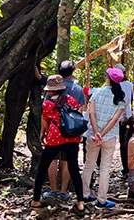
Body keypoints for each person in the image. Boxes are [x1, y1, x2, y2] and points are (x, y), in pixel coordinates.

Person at [31, 75, 86, 217]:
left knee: (43, 167)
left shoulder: (48, 104)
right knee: (74, 168)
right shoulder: (71, 100)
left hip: (55, 138)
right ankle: (80, 202)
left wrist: (43, 135)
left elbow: (45, 121)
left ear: (51, 90)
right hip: (72, 138)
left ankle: (36, 200)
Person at [81, 67, 126, 209]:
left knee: (89, 165)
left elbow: (91, 114)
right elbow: (114, 120)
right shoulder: (121, 99)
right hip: (110, 137)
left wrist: (96, 132)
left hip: (93, 136)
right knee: (105, 168)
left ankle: (84, 194)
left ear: (108, 78)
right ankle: (102, 200)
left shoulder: (96, 94)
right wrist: (103, 134)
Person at [45, 60, 86, 201]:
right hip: (70, 132)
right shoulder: (78, 89)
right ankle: (63, 192)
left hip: (54, 130)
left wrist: (43, 131)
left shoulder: (52, 86)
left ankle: (52, 190)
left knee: (53, 159)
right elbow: (79, 112)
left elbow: (46, 110)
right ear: (72, 72)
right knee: (67, 160)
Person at [114, 63, 134, 177]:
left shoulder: (115, 86)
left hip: (119, 118)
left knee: (123, 143)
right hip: (128, 117)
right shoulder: (129, 85)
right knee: (128, 142)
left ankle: (126, 168)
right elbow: (130, 102)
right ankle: (129, 167)